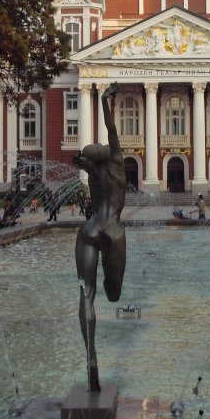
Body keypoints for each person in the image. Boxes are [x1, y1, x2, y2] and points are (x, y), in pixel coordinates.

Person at [72, 82, 127, 392]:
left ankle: (90, 355)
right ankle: (93, 358)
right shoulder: (118, 161)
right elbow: (111, 129)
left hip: (90, 229)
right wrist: (107, 102)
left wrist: (80, 160)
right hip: (114, 232)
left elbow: (79, 160)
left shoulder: (92, 170)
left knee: (86, 295)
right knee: (114, 295)